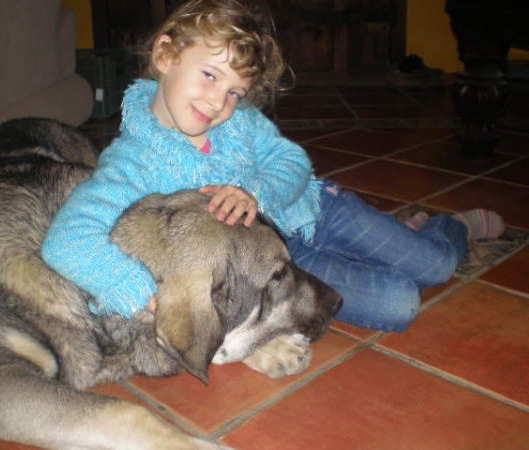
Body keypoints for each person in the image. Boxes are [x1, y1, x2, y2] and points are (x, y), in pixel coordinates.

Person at [41, 0, 504, 332]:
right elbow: (67, 240)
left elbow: (292, 160)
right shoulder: (130, 164)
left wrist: (256, 192)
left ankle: (449, 227)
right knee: (399, 303)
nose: (218, 102)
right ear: (166, 55)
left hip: (318, 210)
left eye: (234, 92)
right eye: (209, 75)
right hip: (283, 260)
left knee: (438, 265)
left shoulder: (238, 123)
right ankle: (401, 235)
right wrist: (138, 292)